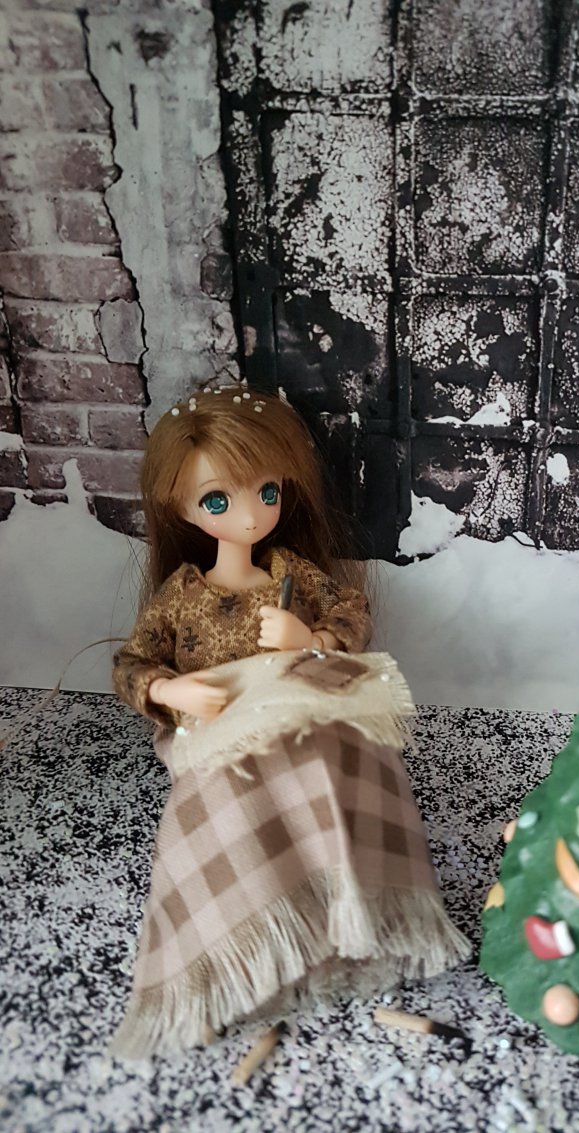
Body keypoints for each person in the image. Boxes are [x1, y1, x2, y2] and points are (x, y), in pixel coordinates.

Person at [111, 385, 469, 1058]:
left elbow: (350, 611)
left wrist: (312, 637)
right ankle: (244, 942)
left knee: (344, 758)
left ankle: (343, 910)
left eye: (266, 492)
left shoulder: (290, 573)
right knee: (226, 799)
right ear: (179, 505)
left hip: (298, 710)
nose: (249, 514)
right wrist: (170, 688)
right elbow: (132, 663)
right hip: (222, 729)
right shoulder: (181, 595)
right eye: (218, 501)